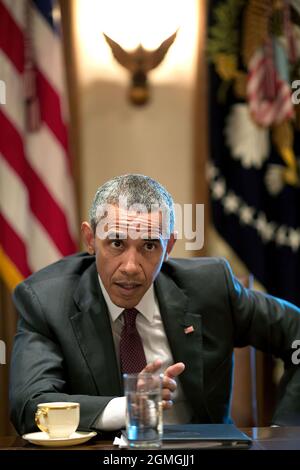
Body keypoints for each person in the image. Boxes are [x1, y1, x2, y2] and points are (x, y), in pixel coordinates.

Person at [10, 174, 300, 435]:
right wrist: (126, 407)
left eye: (149, 246)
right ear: (90, 239)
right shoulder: (46, 301)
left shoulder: (211, 287)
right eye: (116, 244)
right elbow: (30, 405)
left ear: (169, 246)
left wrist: (286, 430)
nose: (131, 267)